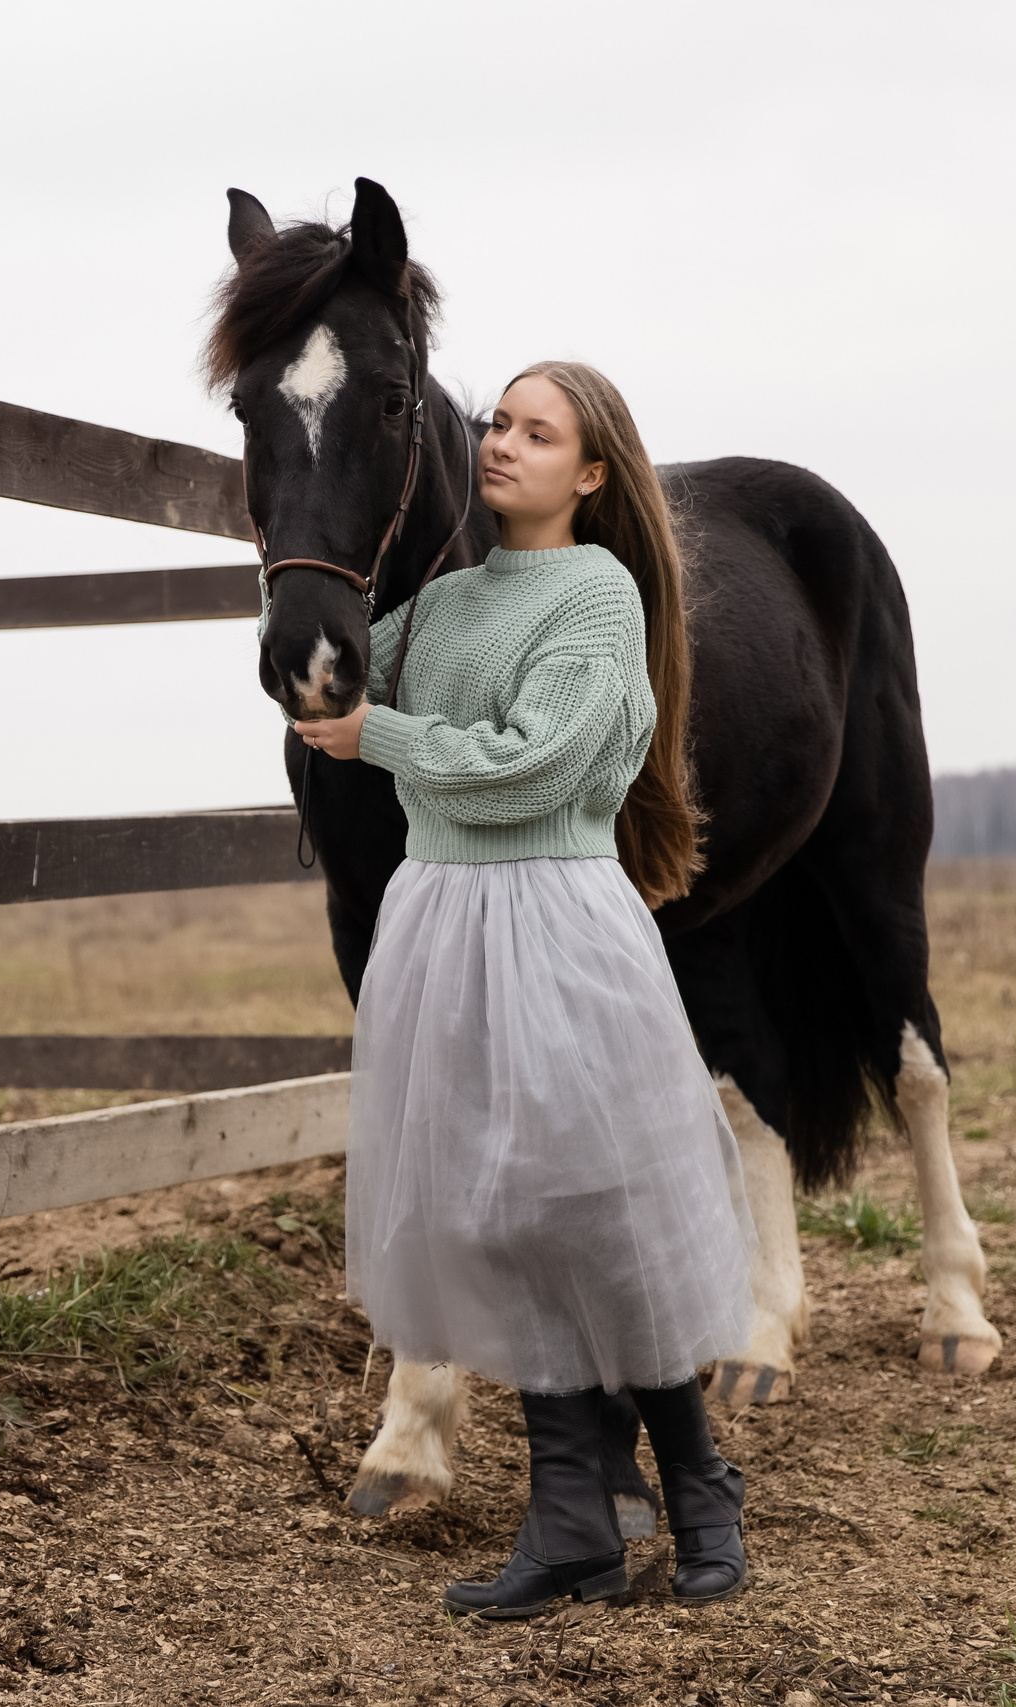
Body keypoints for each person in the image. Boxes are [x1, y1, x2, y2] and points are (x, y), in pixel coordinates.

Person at [293, 361, 756, 1619]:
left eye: (535, 432)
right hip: (442, 923)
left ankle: (702, 1486)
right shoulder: (444, 605)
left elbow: (528, 767)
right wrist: (307, 570)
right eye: (495, 423)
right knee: (496, 1219)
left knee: (591, 1214)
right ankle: (571, 1529)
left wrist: (373, 736)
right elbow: (334, 665)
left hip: (552, 920)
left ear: (589, 473)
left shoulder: (595, 597)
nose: (501, 443)